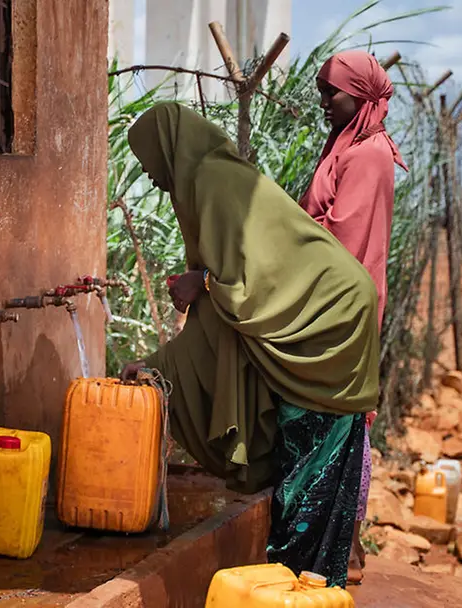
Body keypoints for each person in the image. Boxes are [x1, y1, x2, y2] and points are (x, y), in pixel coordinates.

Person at [119, 102, 380, 587]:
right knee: (306, 475)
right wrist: (157, 366)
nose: (151, 176)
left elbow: (243, 289)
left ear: (169, 148)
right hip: (323, 313)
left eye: (149, 160)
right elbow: (221, 316)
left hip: (327, 321)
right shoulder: (206, 183)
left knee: (309, 475)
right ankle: (305, 586)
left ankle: (299, 585)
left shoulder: (212, 182)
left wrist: (204, 283)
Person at [297, 49, 407, 584]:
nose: (323, 101)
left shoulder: (368, 154)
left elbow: (345, 240)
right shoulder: (346, 144)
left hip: (341, 307)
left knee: (337, 418)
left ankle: (338, 547)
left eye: (331, 92)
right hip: (328, 300)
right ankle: (333, 544)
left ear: (360, 94)